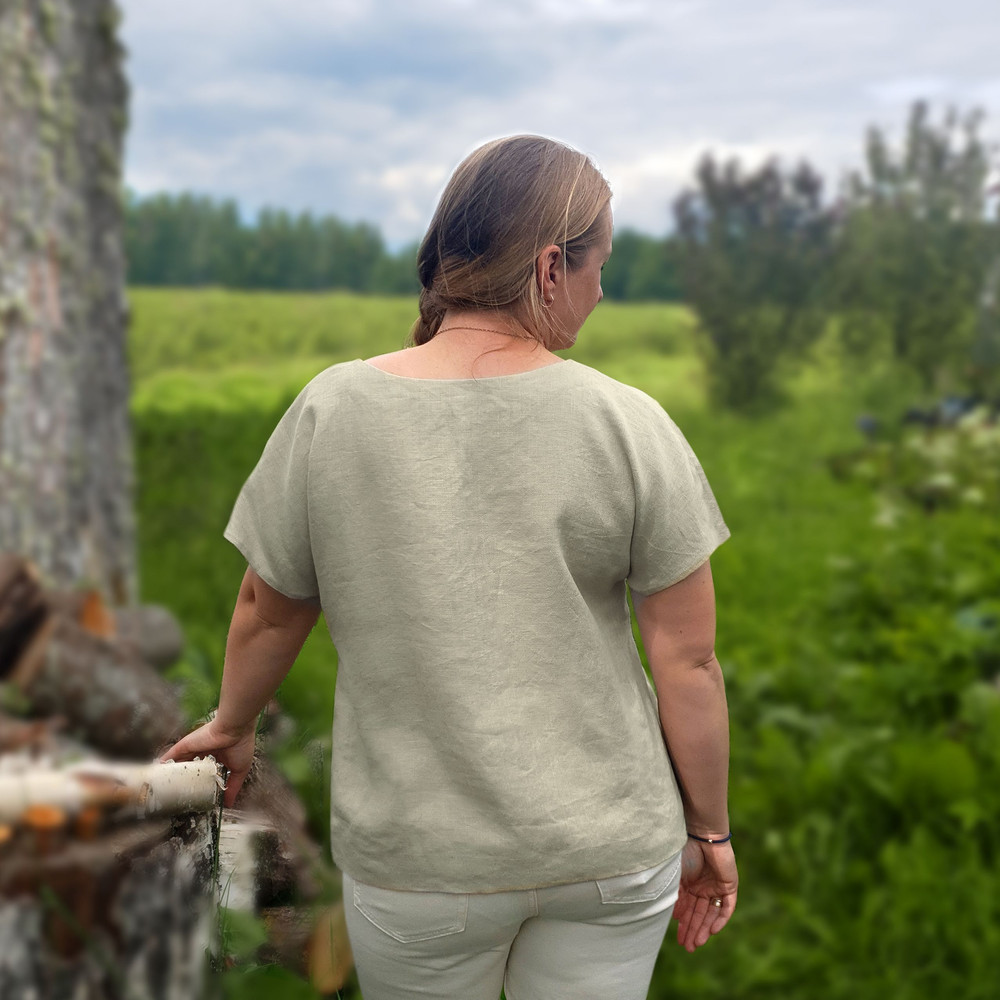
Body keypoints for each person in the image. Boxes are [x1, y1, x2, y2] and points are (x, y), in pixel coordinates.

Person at [159, 134, 738, 999]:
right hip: (610, 850)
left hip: (418, 862)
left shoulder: (333, 409)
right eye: (599, 267)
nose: (601, 291)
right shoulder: (628, 422)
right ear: (551, 268)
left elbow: (267, 608)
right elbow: (689, 661)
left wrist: (233, 725)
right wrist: (711, 833)